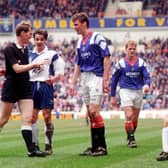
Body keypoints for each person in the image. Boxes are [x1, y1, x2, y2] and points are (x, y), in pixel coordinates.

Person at [0, 22, 47, 157]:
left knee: (27, 118)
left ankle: (31, 149)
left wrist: (33, 66)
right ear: (22, 34)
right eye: (29, 34)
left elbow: (20, 67)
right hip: (11, 87)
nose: (31, 37)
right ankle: (32, 149)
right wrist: (33, 65)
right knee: (3, 120)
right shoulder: (10, 48)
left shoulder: (26, 49)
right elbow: (16, 68)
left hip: (25, 87)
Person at [70, 12, 111, 156]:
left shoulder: (97, 37)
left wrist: (105, 79)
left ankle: (102, 147)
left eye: (76, 25)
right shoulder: (79, 42)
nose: (74, 28)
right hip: (85, 78)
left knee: (94, 111)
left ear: (83, 23)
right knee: (90, 114)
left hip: (96, 76)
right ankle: (95, 147)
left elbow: (107, 57)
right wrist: (72, 82)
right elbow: (78, 64)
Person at [29, 29, 65, 155]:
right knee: (32, 117)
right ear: (34, 39)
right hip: (32, 85)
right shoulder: (28, 54)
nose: (39, 42)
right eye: (37, 39)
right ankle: (35, 145)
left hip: (45, 85)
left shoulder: (51, 54)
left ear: (45, 40)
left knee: (46, 116)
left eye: (41, 39)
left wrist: (54, 78)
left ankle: (48, 144)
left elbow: (60, 69)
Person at [110, 40, 151, 148]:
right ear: (126, 49)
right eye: (130, 49)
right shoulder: (120, 64)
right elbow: (114, 80)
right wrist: (113, 96)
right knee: (128, 115)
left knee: (135, 118)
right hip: (125, 90)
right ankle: (131, 139)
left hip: (138, 91)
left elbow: (147, 77)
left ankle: (130, 135)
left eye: (134, 49)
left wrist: (147, 85)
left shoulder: (141, 63)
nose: (132, 50)